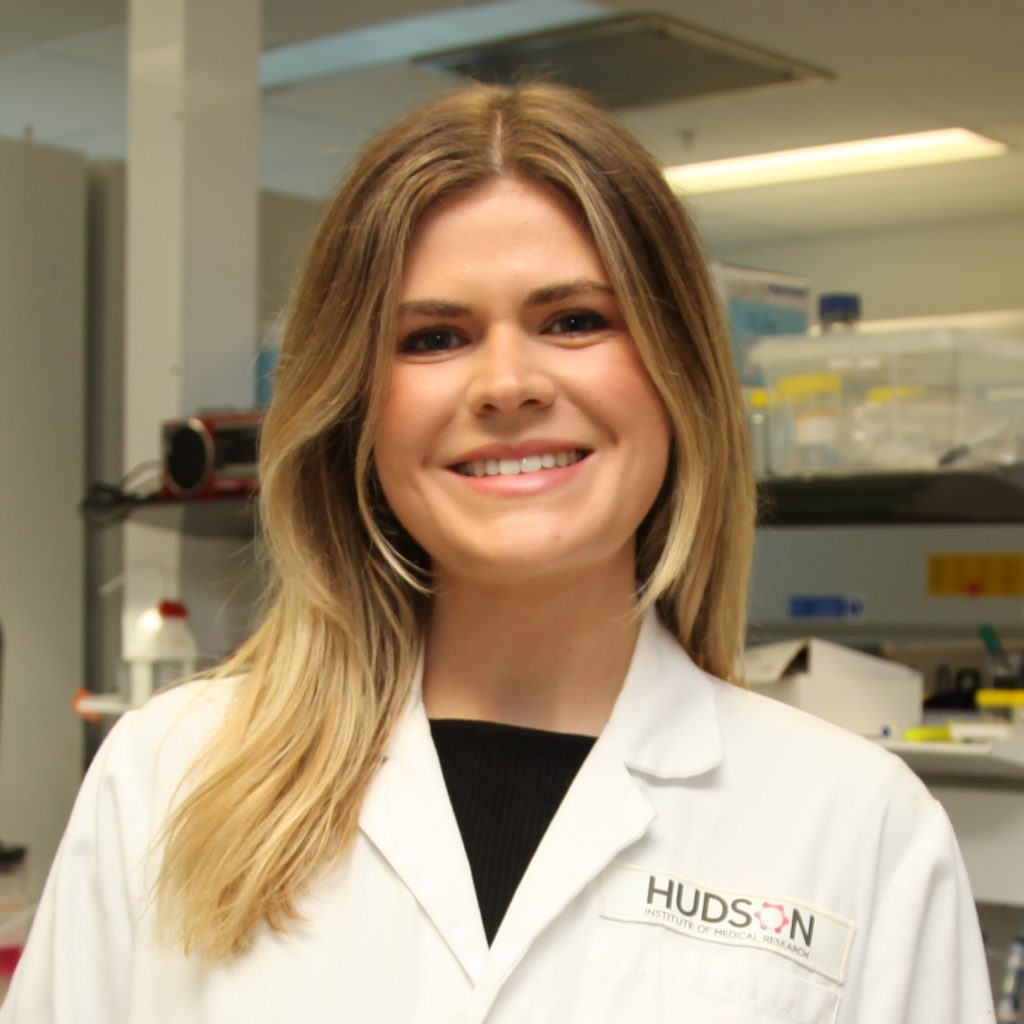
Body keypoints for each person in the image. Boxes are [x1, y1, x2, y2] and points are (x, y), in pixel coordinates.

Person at [2, 82, 993, 1023]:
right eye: (433, 337)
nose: (507, 382)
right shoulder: (170, 777)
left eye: (573, 320)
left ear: (678, 374)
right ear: (356, 410)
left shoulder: (858, 828)